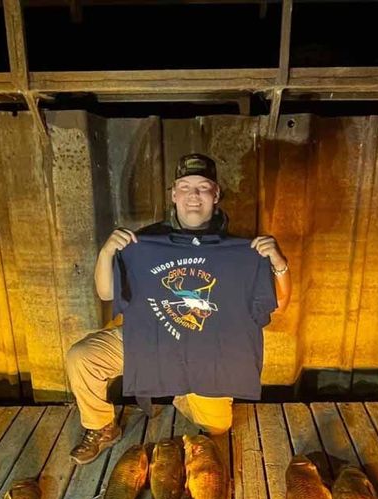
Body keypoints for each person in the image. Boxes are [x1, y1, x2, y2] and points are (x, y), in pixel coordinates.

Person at [66, 153, 291, 465]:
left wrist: (280, 265)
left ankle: (181, 390)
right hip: (151, 342)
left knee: (217, 426)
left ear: (216, 194)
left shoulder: (240, 250)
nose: (193, 196)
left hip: (207, 353)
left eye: (202, 187)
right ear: (174, 194)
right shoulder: (144, 241)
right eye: (185, 187)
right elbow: (106, 292)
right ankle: (101, 426)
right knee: (82, 356)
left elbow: (276, 307)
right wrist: (106, 253)